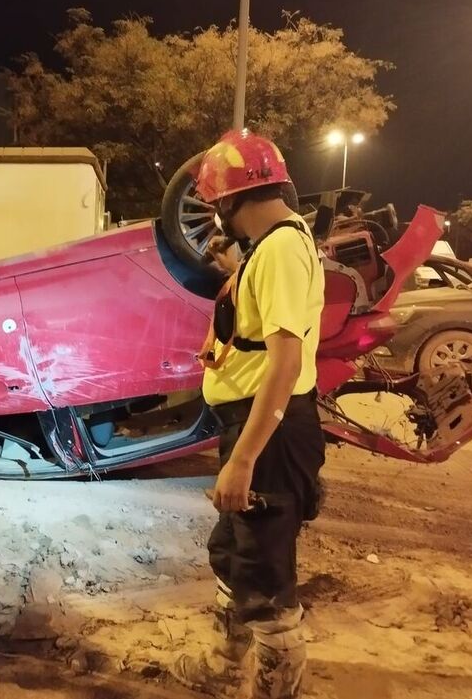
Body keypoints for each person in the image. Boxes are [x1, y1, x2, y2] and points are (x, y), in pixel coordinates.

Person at [171, 130, 326, 699]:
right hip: (257, 424)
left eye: (217, 206)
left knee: (264, 575)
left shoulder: (281, 249)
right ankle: (225, 660)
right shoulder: (275, 243)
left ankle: (274, 686)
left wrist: (242, 461)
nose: (217, 217)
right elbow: (262, 318)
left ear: (233, 199)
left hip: (269, 432)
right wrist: (232, 267)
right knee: (233, 553)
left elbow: (283, 363)